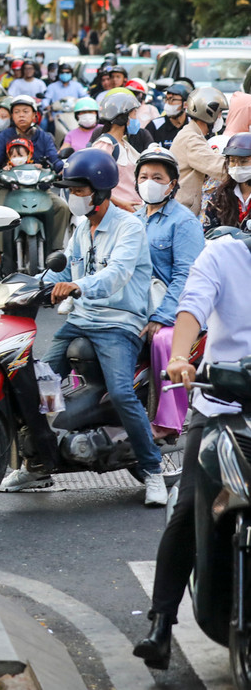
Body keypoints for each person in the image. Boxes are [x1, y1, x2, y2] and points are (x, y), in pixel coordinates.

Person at [2, 147, 165, 506]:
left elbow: (116, 275)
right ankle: (38, 463)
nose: (72, 197)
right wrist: (28, 283)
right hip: (80, 320)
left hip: (119, 323)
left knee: (121, 393)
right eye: (71, 191)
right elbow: (64, 270)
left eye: (78, 191)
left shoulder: (130, 227)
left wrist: (78, 287)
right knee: (33, 382)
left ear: (101, 191)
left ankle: (153, 470)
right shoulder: (80, 227)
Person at [133, 229, 251, 670]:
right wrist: (180, 356)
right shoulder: (222, 254)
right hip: (221, 405)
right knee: (189, 507)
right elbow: (192, 307)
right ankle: (161, 623)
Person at [133, 147, 204, 439]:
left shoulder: (184, 222)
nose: (150, 182)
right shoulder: (132, 220)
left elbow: (186, 277)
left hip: (175, 310)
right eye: (144, 176)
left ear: (172, 183)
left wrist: (161, 316)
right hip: (137, 306)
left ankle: (168, 420)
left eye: (158, 177)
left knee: (163, 340)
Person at [0, 95, 70, 253]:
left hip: (39, 188)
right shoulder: (3, 137)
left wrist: (61, 168)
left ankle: (55, 249)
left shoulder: (44, 137)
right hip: (9, 187)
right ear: (12, 116)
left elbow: (54, 158)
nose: (21, 115)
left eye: (25, 111)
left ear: (35, 115)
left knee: (62, 207)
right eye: (16, 112)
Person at [172, 86, 229, 216]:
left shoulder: (192, 134)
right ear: (209, 112)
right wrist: (242, 167)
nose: (220, 117)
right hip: (184, 210)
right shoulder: (191, 138)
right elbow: (216, 166)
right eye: (219, 113)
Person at [90, 91, 143, 212]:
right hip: (116, 213)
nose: (136, 118)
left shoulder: (125, 144)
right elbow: (93, 182)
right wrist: (121, 203)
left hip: (133, 211)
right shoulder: (106, 144)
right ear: (123, 117)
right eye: (134, 114)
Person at [203, 133, 251, 231]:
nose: (237, 166)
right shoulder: (219, 197)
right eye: (233, 161)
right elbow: (209, 233)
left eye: (243, 161)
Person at [149, 82, 191, 148]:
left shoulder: (193, 124)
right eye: (166, 99)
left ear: (185, 104)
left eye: (173, 99)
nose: (168, 103)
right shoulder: (155, 125)